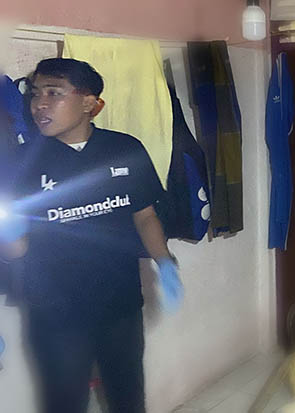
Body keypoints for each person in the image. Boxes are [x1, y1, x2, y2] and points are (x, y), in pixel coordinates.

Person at [0, 58, 183, 413]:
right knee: (65, 403)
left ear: (88, 102)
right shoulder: (18, 164)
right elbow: (16, 251)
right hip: (55, 314)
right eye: (36, 94)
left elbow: (145, 215)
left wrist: (165, 262)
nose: (39, 104)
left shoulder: (124, 149)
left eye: (54, 93)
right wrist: (8, 232)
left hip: (120, 304)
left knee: (128, 398)